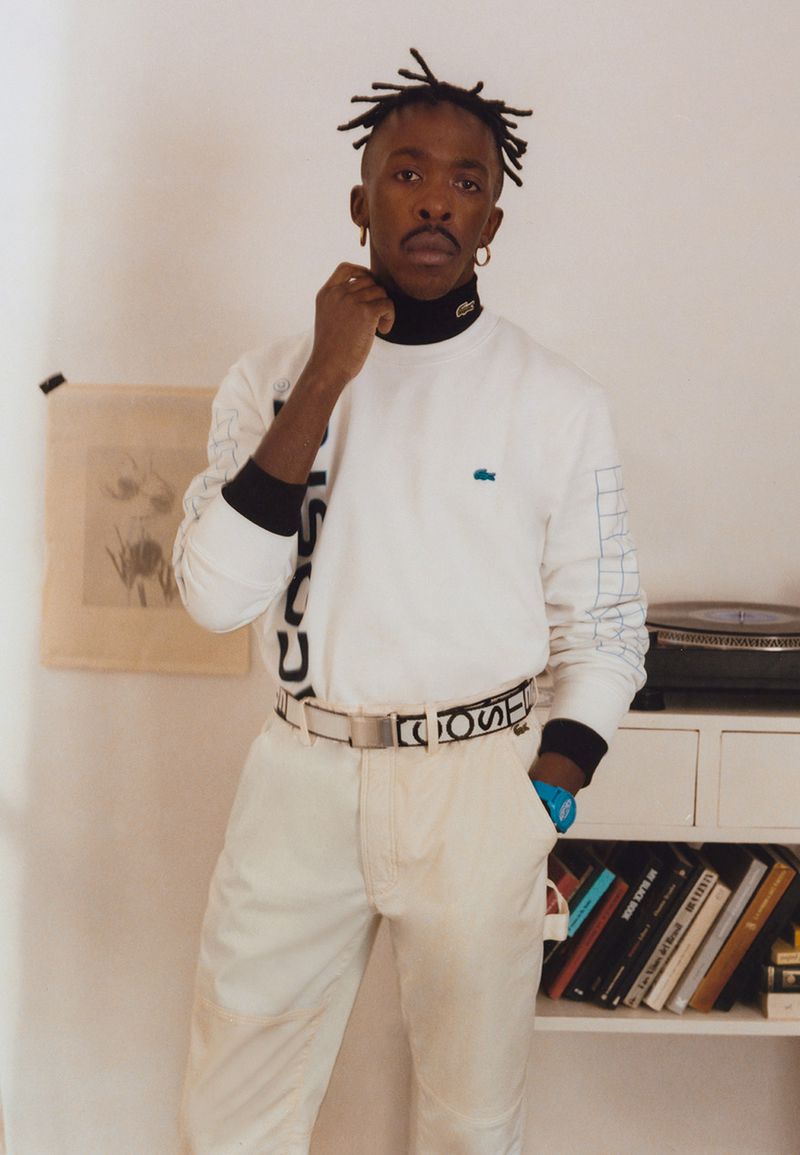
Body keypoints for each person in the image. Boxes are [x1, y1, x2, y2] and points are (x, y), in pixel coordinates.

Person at [174, 48, 647, 1155]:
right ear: (361, 203)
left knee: (471, 1120)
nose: (435, 199)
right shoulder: (269, 377)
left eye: (465, 182)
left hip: (477, 781)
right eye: (407, 173)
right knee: (230, 1112)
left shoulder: (555, 400)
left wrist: (549, 785)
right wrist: (326, 375)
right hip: (302, 773)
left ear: (491, 224)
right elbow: (214, 596)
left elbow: (605, 620)